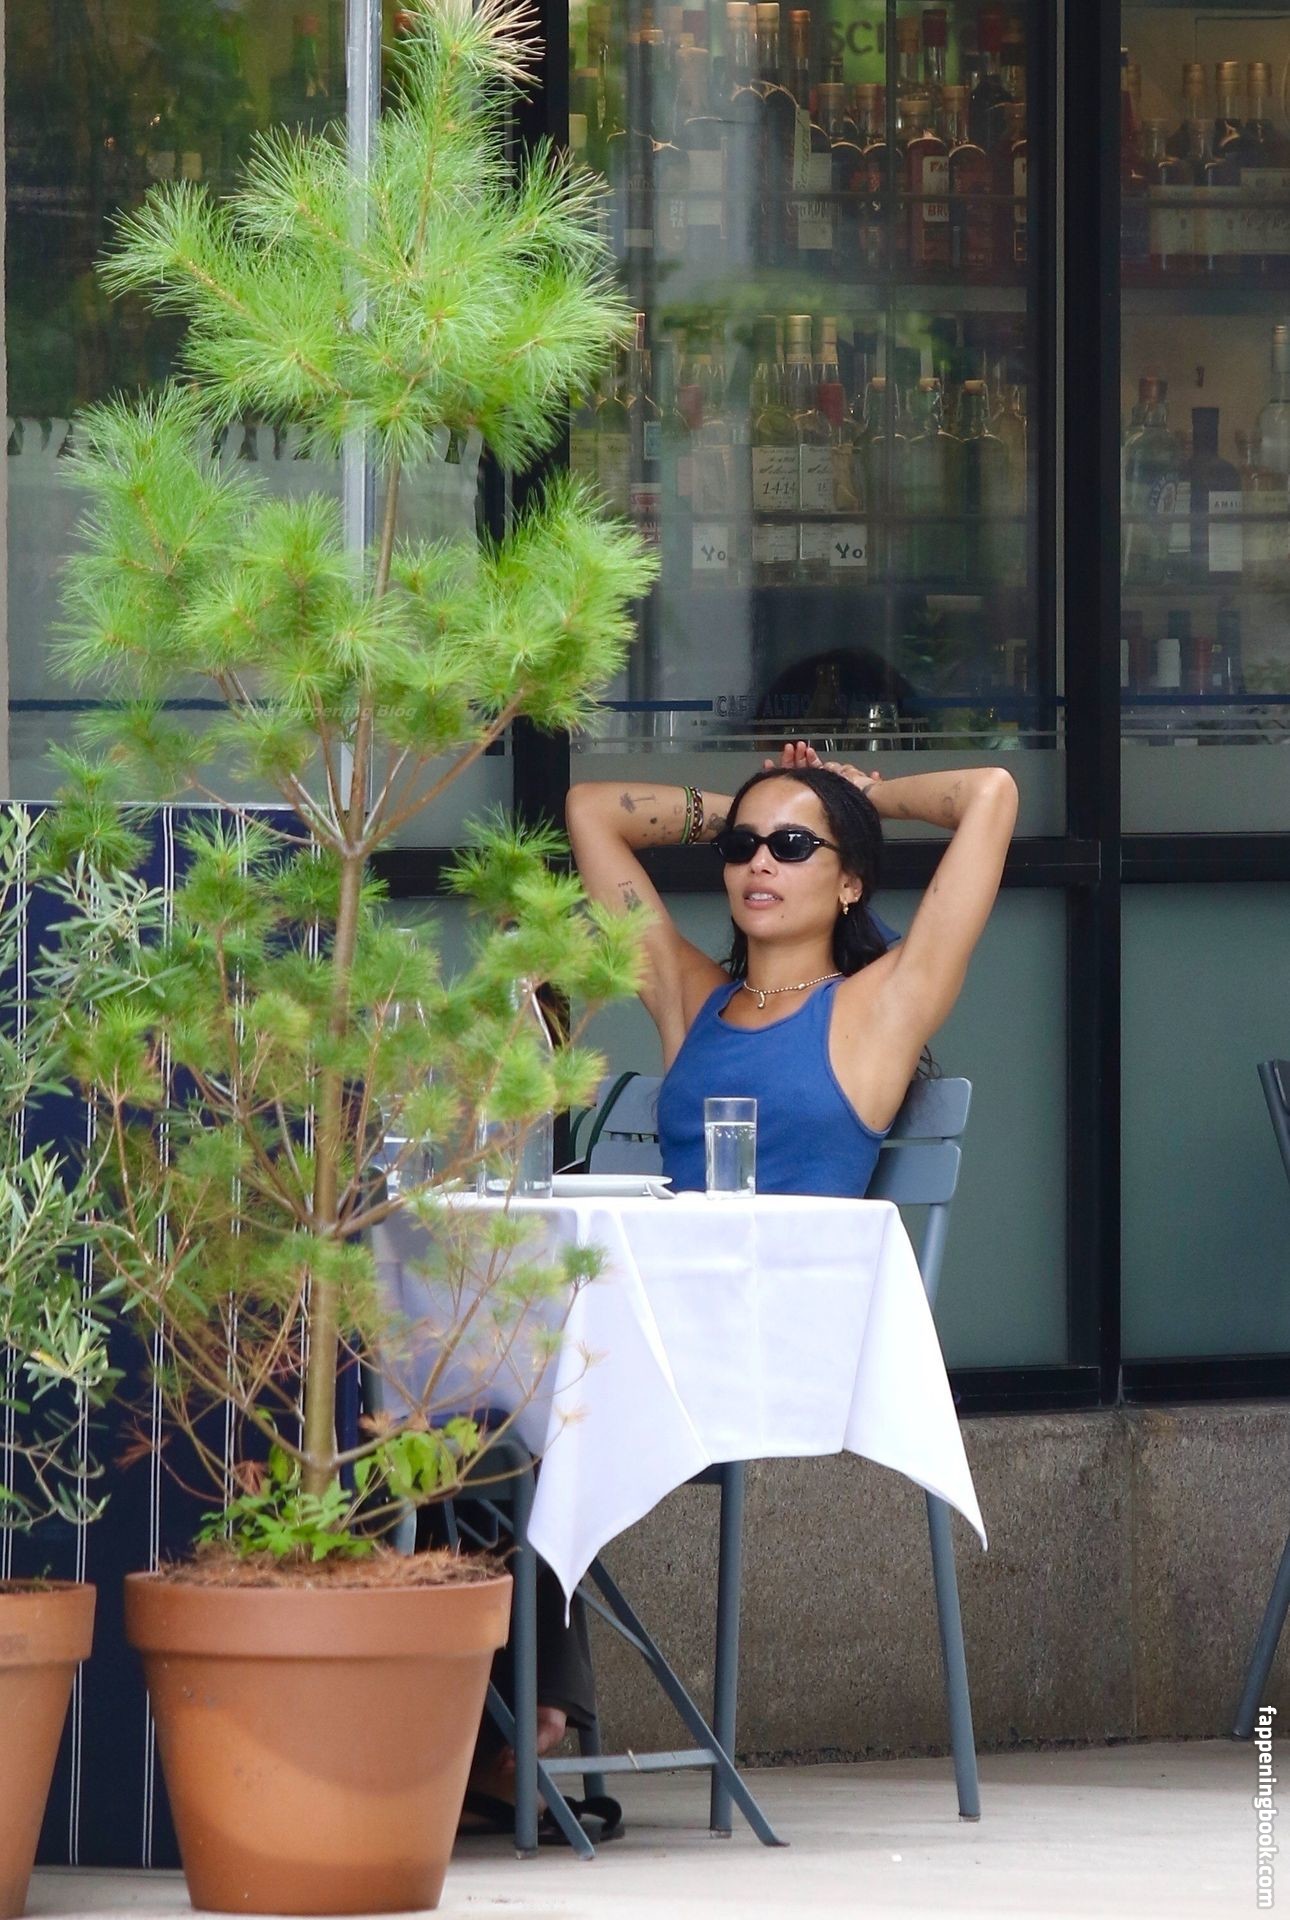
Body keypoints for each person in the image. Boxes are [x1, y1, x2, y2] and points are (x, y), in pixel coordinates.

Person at [565, 742, 1018, 1195]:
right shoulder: (691, 1002)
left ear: (849, 883)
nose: (759, 863)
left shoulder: (881, 1007)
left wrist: (859, 796)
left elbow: (989, 793)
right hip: (667, 1243)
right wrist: (774, 797)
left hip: (806, 1245)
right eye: (741, 846)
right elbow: (591, 811)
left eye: (792, 845)